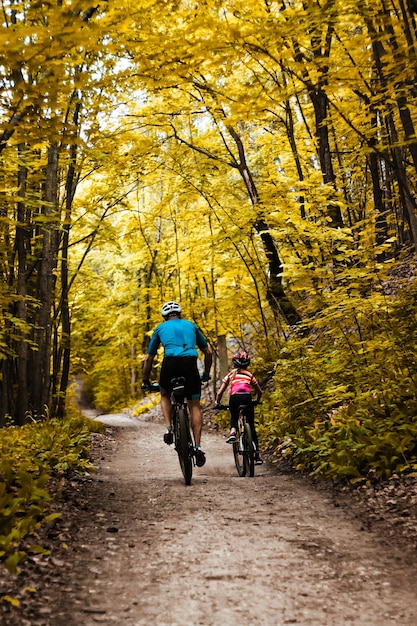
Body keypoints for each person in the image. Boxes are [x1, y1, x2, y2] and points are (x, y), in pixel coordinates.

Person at [142, 301, 212, 467]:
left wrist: (145, 380)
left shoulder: (160, 328)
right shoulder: (192, 326)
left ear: (165, 317)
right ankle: (197, 446)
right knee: (194, 405)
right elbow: (208, 352)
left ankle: (168, 428)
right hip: (190, 363)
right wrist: (206, 373)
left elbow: (148, 358)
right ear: (179, 314)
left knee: (165, 393)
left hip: (170, 364)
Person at [215, 351, 263, 465]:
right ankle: (256, 454)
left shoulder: (231, 375)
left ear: (234, 363)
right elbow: (259, 391)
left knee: (234, 416)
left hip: (234, 398)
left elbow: (220, 392)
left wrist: (217, 402)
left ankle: (232, 432)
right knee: (251, 425)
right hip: (247, 398)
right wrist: (257, 400)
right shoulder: (249, 375)